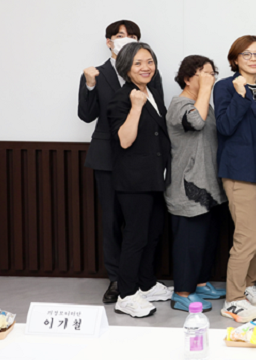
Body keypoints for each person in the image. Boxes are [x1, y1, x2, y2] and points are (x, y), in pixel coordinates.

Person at [78, 20, 161, 303]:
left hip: (142, 159)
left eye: (133, 36)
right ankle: (117, 280)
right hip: (108, 158)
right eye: (121, 35)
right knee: (113, 220)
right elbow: (86, 115)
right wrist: (90, 85)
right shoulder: (96, 73)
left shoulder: (149, 73)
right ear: (109, 41)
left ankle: (142, 281)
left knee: (144, 222)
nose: (127, 39)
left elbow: (157, 115)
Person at [106, 42, 174, 318]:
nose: (146, 67)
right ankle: (126, 295)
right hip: (133, 181)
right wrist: (135, 108)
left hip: (154, 178)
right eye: (138, 63)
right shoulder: (122, 99)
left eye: (149, 62)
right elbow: (124, 140)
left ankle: (146, 285)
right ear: (125, 68)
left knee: (153, 233)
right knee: (135, 238)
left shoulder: (152, 91)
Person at [214, 35, 256, 322]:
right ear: (235, 59)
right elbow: (224, 127)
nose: (253, 58)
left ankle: (249, 285)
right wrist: (239, 95)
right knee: (246, 236)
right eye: (246, 54)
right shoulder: (226, 86)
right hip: (239, 172)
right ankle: (233, 299)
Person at [165, 55, 228, 313]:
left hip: (209, 187)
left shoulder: (205, 105)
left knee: (206, 241)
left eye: (212, 73)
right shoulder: (179, 105)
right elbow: (196, 122)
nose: (210, 78)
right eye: (203, 73)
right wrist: (205, 90)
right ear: (187, 78)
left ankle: (200, 284)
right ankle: (182, 293)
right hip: (187, 189)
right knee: (188, 245)